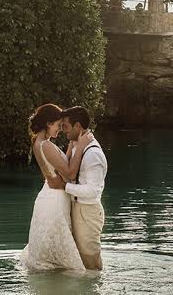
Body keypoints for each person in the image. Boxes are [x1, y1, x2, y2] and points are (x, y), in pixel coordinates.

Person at [19, 103, 94, 271]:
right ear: (48, 123)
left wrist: (73, 145)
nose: (60, 130)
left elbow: (61, 164)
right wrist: (81, 146)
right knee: (60, 255)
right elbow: (70, 173)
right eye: (58, 125)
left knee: (51, 251)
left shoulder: (39, 142)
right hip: (55, 200)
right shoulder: (45, 145)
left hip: (49, 195)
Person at [47, 106, 107, 270]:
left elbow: (92, 191)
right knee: (80, 261)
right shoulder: (77, 146)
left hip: (87, 211)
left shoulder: (92, 154)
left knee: (90, 262)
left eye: (66, 126)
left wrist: (64, 186)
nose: (63, 130)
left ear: (78, 126)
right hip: (77, 208)